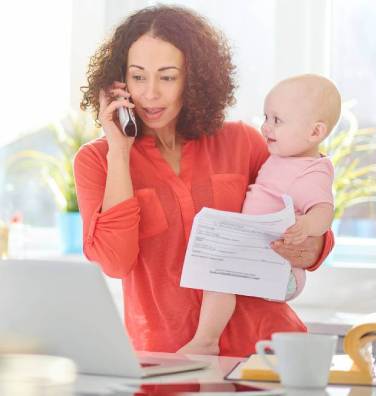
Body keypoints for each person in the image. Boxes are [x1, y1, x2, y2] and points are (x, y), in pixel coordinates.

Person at [75, 5, 335, 357]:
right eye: (138, 77)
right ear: (119, 83)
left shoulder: (243, 142)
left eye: (167, 77)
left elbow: (311, 222)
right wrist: (120, 151)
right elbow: (115, 262)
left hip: (266, 352)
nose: (151, 92)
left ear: (192, 79)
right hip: (170, 360)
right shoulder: (97, 161)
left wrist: (306, 245)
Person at [181, 74, 340, 354]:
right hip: (266, 259)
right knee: (219, 276)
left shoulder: (310, 171)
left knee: (218, 275)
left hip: (284, 271)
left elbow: (325, 211)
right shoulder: (282, 157)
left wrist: (306, 225)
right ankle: (206, 340)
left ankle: (206, 341)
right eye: (266, 117)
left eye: (277, 120)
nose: (266, 127)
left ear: (315, 133)